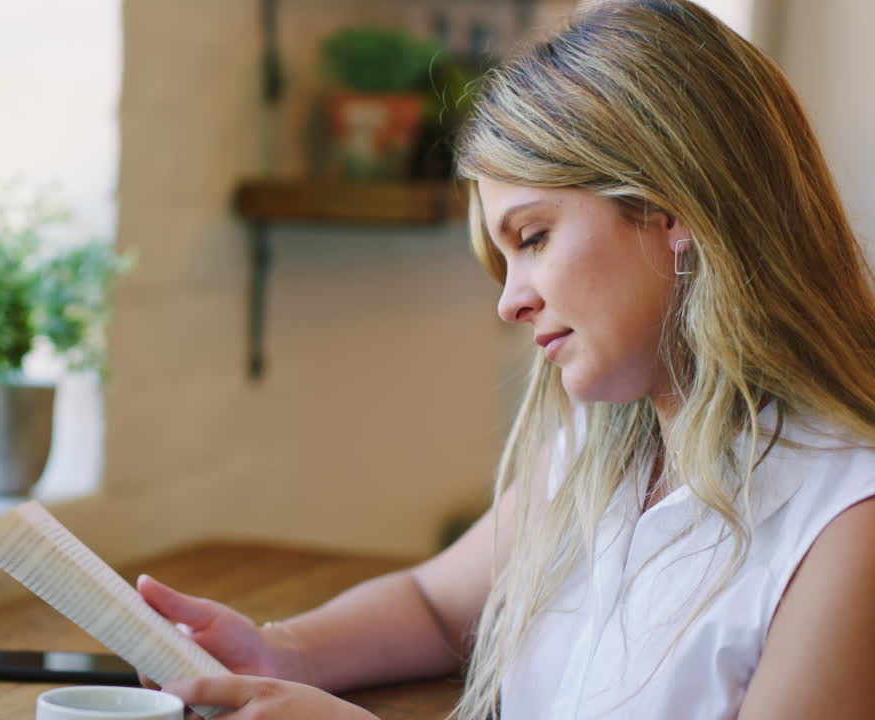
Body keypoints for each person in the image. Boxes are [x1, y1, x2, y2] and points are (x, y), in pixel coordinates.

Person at [136, 1, 875, 718]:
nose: (510, 301)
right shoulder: (600, 454)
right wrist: (279, 653)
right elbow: (432, 607)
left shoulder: (847, 523)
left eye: (533, 238)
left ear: (672, 206)